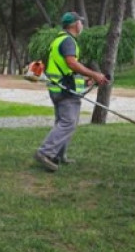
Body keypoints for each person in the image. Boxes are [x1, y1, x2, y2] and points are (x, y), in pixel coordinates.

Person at [34, 12, 108, 173]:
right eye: (81, 22)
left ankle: (58, 155)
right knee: (68, 122)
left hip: (57, 88)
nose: (82, 25)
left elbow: (67, 68)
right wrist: (94, 74)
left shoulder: (58, 40)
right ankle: (45, 152)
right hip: (65, 91)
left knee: (64, 122)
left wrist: (86, 80)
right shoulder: (68, 41)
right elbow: (72, 64)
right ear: (75, 24)